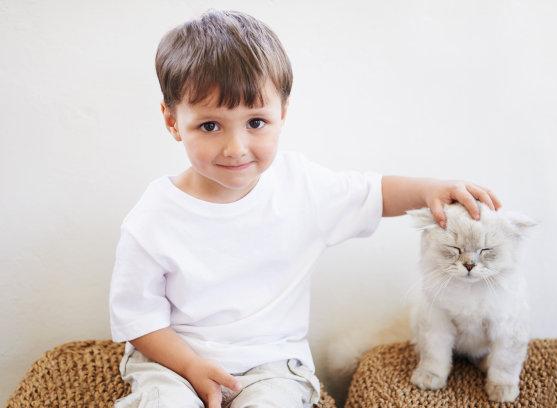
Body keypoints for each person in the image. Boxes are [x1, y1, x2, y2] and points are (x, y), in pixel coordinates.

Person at [109, 8, 502, 408]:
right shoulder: (154, 217)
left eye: (256, 122)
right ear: (172, 121)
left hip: (272, 365)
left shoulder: (301, 186)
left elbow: (375, 193)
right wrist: (192, 366)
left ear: (282, 113)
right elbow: (138, 319)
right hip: (173, 363)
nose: (235, 148)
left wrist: (431, 190)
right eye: (210, 126)